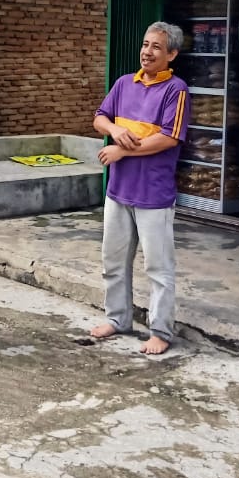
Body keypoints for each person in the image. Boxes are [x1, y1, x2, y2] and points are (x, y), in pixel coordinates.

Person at [90, 22, 190, 355]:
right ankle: (117, 319)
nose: (147, 52)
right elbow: (100, 117)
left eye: (156, 47)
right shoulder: (123, 84)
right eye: (145, 44)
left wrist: (123, 149)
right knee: (113, 261)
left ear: (172, 54)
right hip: (119, 190)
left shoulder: (176, 90)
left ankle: (161, 330)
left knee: (159, 267)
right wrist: (115, 131)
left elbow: (168, 137)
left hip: (153, 194)